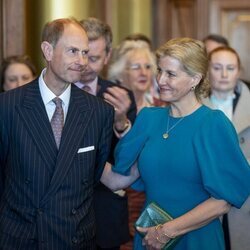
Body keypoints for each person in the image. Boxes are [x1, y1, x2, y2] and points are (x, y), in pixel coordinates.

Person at [101, 37, 250, 250]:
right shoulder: (149, 118)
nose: (160, 80)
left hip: (196, 239)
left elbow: (223, 201)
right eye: (160, 71)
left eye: (170, 74)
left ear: (195, 79)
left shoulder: (213, 124)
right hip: (150, 239)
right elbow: (118, 179)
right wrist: (77, 151)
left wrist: (166, 231)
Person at [0, 17, 114, 249]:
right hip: (22, 239)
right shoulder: (8, 106)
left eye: (85, 52)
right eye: (73, 51)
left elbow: (92, 177)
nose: (81, 61)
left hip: (75, 238)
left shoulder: (99, 111)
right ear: (47, 50)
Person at [75, 17, 137, 250]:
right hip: (60, 212)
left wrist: (120, 122)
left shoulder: (121, 96)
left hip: (105, 209)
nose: (85, 64)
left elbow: (129, 158)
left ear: (108, 56)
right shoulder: (56, 93)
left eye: (94, 58)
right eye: (80, 54)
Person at [203, 46, 250, 250]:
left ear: (238, 72)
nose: (224, 75)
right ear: (207, 70)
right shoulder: (192, 104)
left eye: (230, 68)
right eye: (217, 67)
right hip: (204, 194)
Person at [108, 40, 156, 112]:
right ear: (119, 74)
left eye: (147, 67)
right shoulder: (109, 106)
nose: (144, 73)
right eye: (136, 67)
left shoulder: (159, 105)